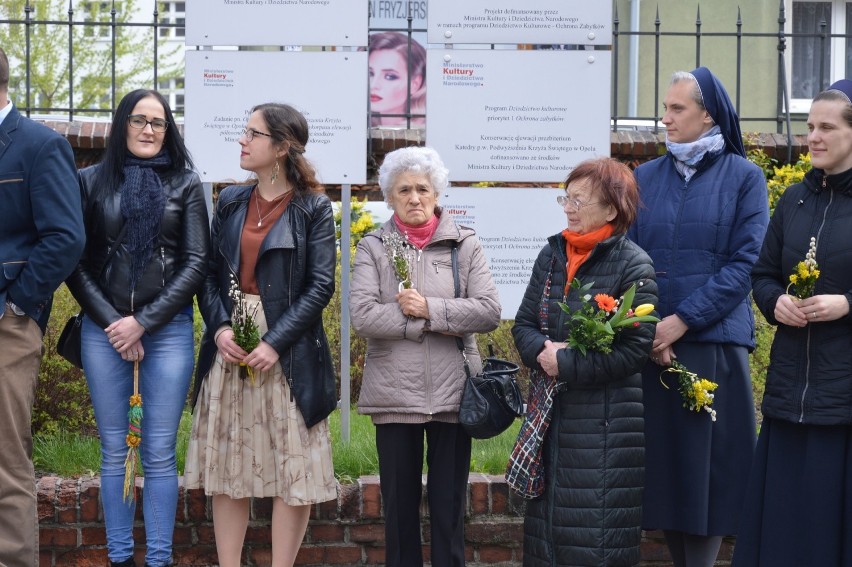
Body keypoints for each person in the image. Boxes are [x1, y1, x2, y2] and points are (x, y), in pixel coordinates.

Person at [626, 67, 770, 567]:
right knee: (668, 472)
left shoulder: (745, 177)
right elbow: (632, 261)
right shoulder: (645, 179)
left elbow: (746, 263)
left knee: (708, 471)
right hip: (655, 347)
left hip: (714, 344)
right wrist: (650, 328)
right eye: (664, 109)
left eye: (677, 109)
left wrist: (681, 321)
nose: (665, 119)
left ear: (707, 113)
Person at [184, 102, 338, 567]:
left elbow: (320, 286)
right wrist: (220, 329)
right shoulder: (230, 200)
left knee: (293, 466)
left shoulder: (313, 208)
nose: (242, 140)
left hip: (286, 354)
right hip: (231, 348)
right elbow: (209, 276)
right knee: (229, 463)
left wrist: (275, 343)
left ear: (281, 147)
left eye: (252, 133)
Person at [65, 88, 209, 567]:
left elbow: (195, 263)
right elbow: (76, 263)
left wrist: (143, 322)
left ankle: (160, 559)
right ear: (121, 123)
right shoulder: (88, 182)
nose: (149, 130)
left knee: (160, 452)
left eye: (159, 123)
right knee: (113, 450)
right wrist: (115, 324)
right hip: (103, 331)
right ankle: (120, 557)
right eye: (140, 120)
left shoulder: (186, 184)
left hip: (166, 331)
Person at [350, 146, 500, 567]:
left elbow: (488, 310)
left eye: (422, 189)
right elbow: (362, 316)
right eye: (403, 190)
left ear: (437, 194)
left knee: (450, 508)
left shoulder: (465, 243)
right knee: (398, 512)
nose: (414, 198)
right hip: (395, 398)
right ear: (390, 197)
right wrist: (419, 321)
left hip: (455, 396)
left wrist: (429, 309)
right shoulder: (374, 247)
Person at [513, 157, 658, 566]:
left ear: (611, 209)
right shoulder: (553, 252)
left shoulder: (634, 265)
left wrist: (568, 363)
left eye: (579, 200)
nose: (568, 208)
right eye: (566, 198)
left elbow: (633, 350)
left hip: (604, 428)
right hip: (550, 418)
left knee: (596, 540)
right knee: (546, 541)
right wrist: (542, 352)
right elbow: (524, 323)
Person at [732, 79, 852, 566]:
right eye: (809, 127)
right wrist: (775, 301)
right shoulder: (793, 200)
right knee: (783, 530)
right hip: (789, 393)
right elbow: (760, 273)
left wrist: (847, 303)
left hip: (843, 400)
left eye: (827, 127)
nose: (814, 138)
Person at [0, 46, 85, 567]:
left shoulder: (38, 145)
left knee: (5, 459)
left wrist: (18, 305)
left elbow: (64, 238)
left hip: (7, 327)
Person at [369, 31, 426, 128]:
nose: (373, 85)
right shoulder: (360, 127)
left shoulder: (426, 134)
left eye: (390, 76)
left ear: (414, 84)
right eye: (370, 73)